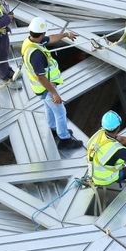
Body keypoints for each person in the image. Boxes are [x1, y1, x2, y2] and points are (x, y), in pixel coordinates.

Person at [21, 17, 83, 151]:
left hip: (40, 89)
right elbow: (41, 77)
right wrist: (54, 93)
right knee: (60, 112)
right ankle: (64, 139)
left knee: (48, 107)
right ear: (41, 33)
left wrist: (66, 34)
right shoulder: (36, 54)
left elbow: (50, 39)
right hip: (46, 88)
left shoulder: (30, 41)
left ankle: (54, 128)